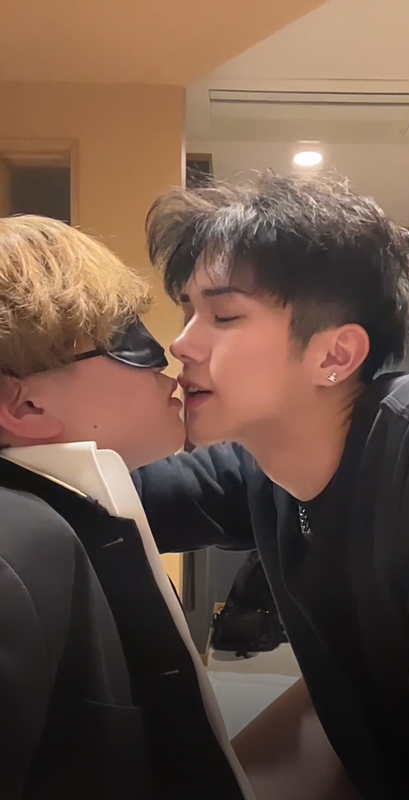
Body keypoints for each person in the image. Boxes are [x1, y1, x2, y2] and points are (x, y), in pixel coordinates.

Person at [133, 173, 409, 800]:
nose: (181, 343)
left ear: (335, 356)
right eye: (189, 312)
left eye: (224, 314)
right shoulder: (257, 468)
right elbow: (119, 500)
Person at [0, 215, 254, 800]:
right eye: (126, 338)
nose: (172, 352)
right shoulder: (15, 554)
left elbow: (224, 484)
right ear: (28, 407)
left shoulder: (72, 500)